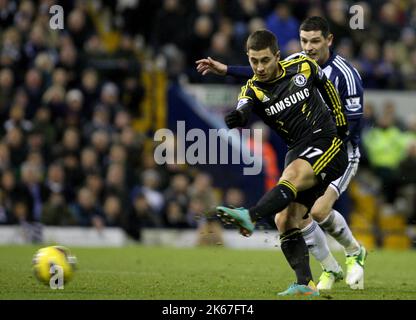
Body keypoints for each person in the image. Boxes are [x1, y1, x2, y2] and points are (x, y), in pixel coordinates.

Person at [196, 16, 367, 291]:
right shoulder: (282, 69)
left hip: (336, 145)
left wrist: (338, 135)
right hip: (300, 148)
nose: (308, 47)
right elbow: (248, 96)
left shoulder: (333, 71)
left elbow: (350, 116)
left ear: (328, 41)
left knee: (317, 206)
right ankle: (308, 281)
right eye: (304, 41)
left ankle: (252, 216)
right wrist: (238, 112)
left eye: (314, 41)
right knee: (285, 218)